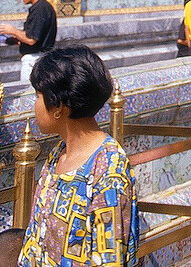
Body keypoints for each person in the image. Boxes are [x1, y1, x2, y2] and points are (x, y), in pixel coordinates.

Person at [18, 46, 138, 266]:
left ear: (58, 106)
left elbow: (108, 258)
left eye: (38, 96)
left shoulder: (108, 171)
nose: (34, 106)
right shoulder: (58, 155)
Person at [0, 0, 57, 85]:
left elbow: (31, 39)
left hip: (35, 59)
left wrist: (13, 30)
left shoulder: (41, 9)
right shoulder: (39, 8)